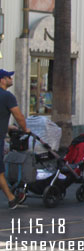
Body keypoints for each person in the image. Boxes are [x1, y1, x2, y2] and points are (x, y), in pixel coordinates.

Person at [0, 70, 30, 209]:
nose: (11, 78)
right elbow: (19, 116)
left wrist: (8, 127)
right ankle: (11, 199)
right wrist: (25, 129)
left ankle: (11, 198)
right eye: (8, 77)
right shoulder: (7, 96)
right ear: (2, 80)